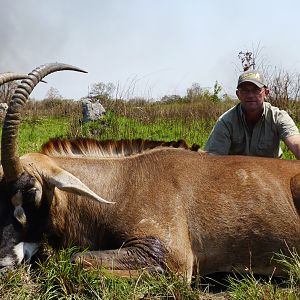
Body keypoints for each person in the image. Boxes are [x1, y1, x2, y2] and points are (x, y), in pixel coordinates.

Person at [205, 70, 300, 159]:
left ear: (266, 92)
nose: (250, 95)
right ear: (238, 94)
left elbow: (296, 143)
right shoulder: (226, 122)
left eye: (256, 90)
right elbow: (213, 159)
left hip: (271, 173)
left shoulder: (279, 117)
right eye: (245, 90)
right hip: (237, 173)